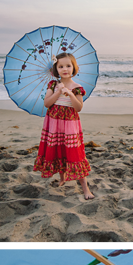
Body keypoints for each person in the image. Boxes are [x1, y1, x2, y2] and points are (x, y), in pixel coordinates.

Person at [33, 51, 91, 188]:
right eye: (60, 67)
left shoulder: (77, 88)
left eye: (68, 66)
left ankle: (85, 187)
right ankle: (62, 178)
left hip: (70, 122)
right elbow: (47, 104)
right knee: (58, 148)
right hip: (54, 121)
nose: (65, 69)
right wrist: (59, 91)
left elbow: (78, 108)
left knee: (74, 152)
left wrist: (70, 93)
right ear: (56, 70)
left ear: (74, 68)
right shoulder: (53, 85)